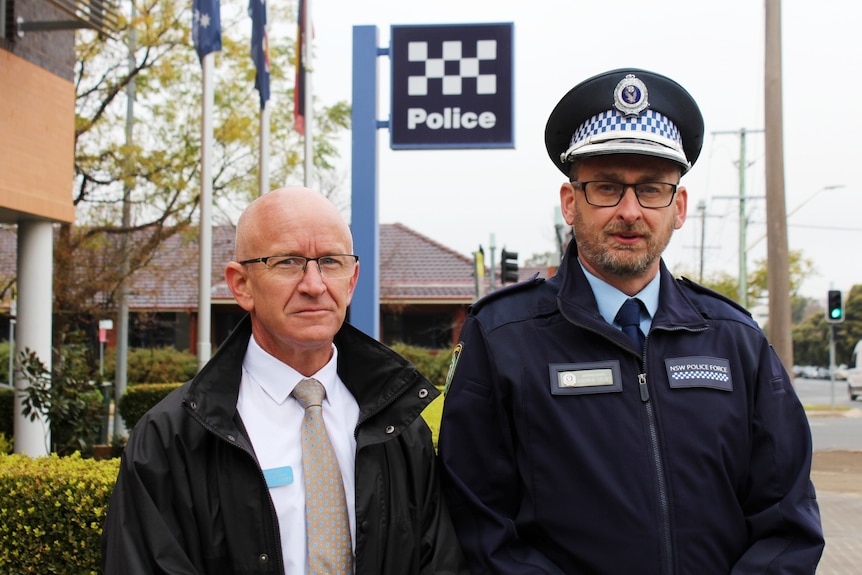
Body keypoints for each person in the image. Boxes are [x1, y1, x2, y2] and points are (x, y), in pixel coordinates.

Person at [438, 69, 824, 574]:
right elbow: (480, 527)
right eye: (605, 187)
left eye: (651, 190)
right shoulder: (502, 337)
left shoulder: (735, 340)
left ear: (679, 206)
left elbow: (787, 519)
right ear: (569, 203)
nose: (629, 211)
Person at [102, 187, 468, 574]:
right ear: (241, 284)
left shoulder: (400, 427)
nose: (314, 284)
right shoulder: (171, 439)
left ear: (352, 280)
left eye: (330, 261)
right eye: (289, 262)